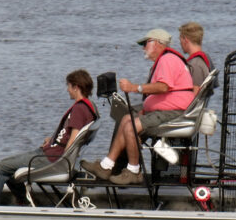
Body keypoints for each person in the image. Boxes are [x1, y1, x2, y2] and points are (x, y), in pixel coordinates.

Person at [82, 29, 195, 185]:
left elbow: (163, 87)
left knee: (131, 127)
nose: (143, 48)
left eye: (145, 43)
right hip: (169, 110)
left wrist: (135, 88)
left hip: (175, 112)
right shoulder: (167, 59)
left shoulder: (167, 60)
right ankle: (106, 166)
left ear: (157, 43)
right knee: (126, 118)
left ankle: (133, 171)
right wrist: (147, 107)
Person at [0, 69, 97, 205]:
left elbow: (72, 141)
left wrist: (61, 163)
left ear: (76, 87)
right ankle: (27, 204)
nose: (67, 90)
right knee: (9, 169)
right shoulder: (89, 107)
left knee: (0, 168)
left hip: (51, 159)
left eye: (69, 86)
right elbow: (69, 137)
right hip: (52, 153)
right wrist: (52, 141)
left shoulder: (79, 109)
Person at [178, 21, 214, 93]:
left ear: (185, 40)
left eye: (180, 39)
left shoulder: (195, 64)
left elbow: (195, 92)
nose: (180, 43)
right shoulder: (206, 58)